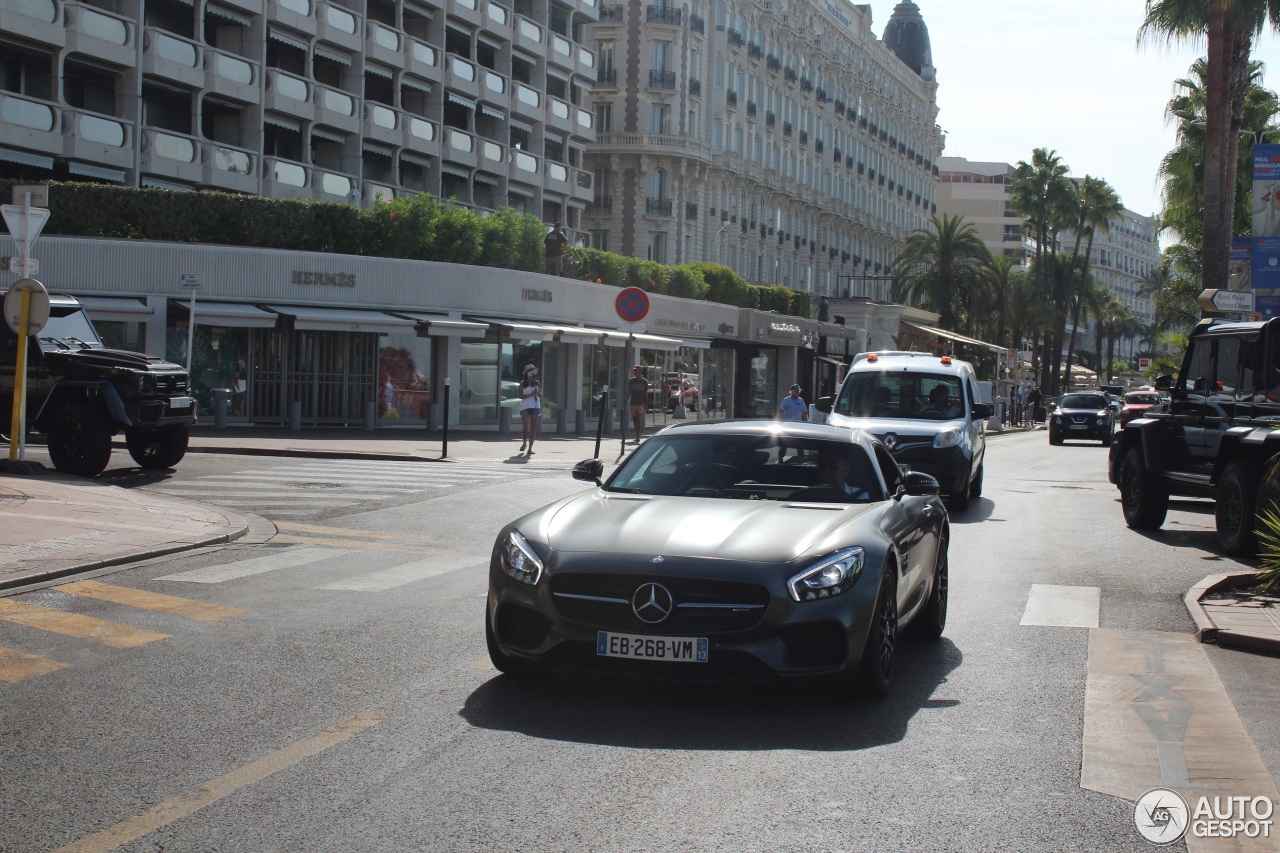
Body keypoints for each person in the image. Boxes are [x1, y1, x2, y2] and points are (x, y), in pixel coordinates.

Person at [518, 364, 541, 455]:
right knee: (525, 427)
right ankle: (524, 443)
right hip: (525, 407)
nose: (532, 373)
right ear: (527, 373)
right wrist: (531, 394)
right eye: (531, 371)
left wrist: (538, 393)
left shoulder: (537, 383)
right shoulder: (522, 383)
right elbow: (520, 396)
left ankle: (530, 449)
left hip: (535, 407)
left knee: (533, 428)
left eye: (533, 371)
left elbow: (541, 395)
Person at [627, 365, 649, 443]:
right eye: (634, 370)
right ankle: (636, 433)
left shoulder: (644, 382)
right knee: (634, 419)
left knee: (638, 419)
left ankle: (638, 436)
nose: (635, 372)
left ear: (640, 371)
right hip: (633, 402)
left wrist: (646, 404)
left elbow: (645, 394)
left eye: (636, 370)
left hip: (640, 403)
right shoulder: (631, 381)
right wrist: (626, 400)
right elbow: (629, 392)